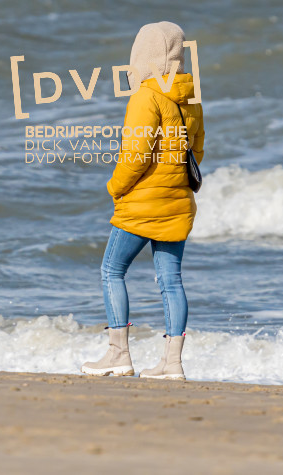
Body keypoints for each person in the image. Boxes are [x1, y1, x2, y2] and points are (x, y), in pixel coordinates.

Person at [81, 21, 204, 380]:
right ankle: (172, 364)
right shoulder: (191, 97)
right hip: (177, 202)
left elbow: (135, 154)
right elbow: (196, 150)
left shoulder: (146, 96)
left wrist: (115, 188)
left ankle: (118, 354)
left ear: (144, 57)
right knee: (171, 280)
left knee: (111, 270)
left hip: (141, 204)